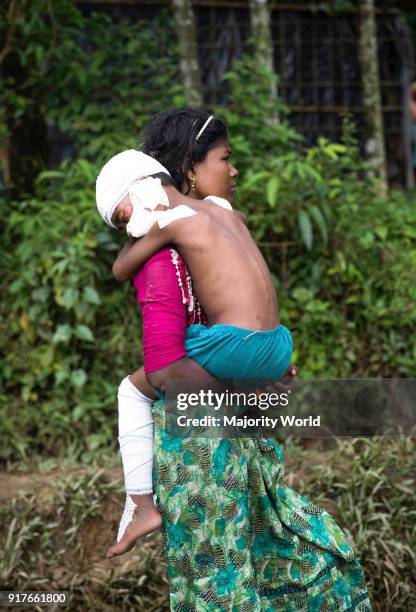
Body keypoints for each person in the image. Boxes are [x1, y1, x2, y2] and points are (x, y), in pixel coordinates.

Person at [100, 109, 372, 609]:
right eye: (226, 158)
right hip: (274, 348)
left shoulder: (168, 237)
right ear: (187, 170)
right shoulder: (227, 217)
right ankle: (140, 503)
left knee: (138, 384)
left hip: (220, 413)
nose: (235, 169)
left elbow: (160, 363)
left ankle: (139, 501)